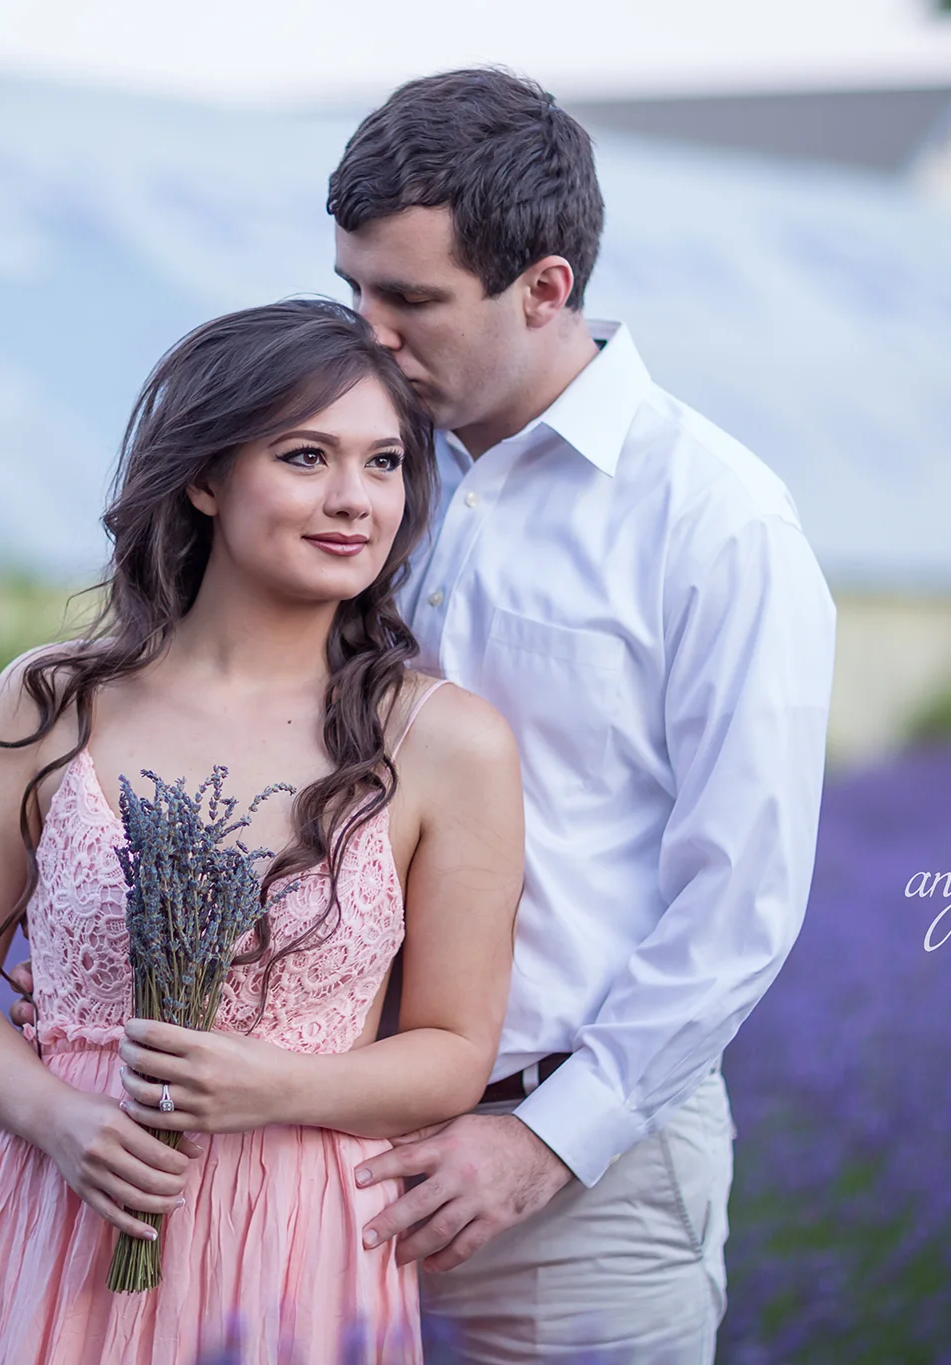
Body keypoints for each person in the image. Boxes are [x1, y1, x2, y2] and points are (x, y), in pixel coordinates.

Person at [0, 298, 526, 1364]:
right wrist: (57, 1118)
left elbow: (453, 1051)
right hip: (66, 1206)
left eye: (383, 463)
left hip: (297, 1239)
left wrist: (275, 1085)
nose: (353, 499)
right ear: (204, 477)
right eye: (305, 456)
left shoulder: (445, 742)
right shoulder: (52, 701)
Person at [323, 69, 839, 1362]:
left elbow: (741, 895)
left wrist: (546, 1141)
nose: (369, 337)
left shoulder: (715, 520)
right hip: (315, 1145)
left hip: (580, 1186)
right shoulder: (352, 472)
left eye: (410, 300)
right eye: (352, 292)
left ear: (544, 287)